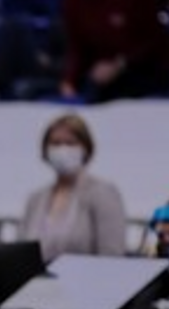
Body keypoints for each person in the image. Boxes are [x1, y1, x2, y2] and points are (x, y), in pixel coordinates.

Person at [19, 112, 127, 262]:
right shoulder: (35, 199)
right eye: (56, 143)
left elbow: (112, 256)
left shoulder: (103, 193)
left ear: (85, 148)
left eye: (70, 143)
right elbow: (22, 253)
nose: (63, 149)